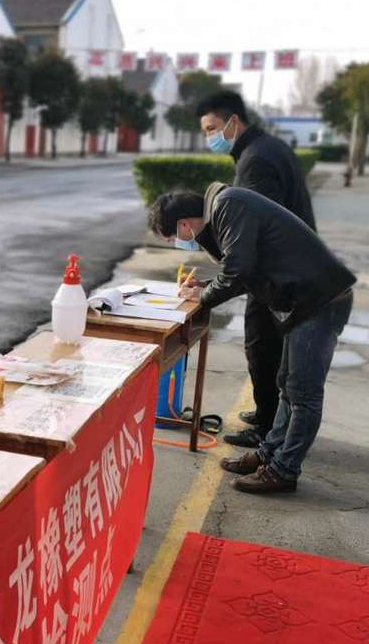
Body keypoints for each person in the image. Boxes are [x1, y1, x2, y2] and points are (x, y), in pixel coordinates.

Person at [149, 183, 355, 494]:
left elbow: (238, 269)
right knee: (287, 385)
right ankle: (269, 454)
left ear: (184, 224)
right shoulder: (225, 209)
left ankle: (284, 471)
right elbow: (248, 269)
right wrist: (204, 285)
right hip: (303, 302)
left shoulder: (228, 206)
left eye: (172, 238)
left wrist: (204, 296)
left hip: (320, 301)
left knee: (303, 394)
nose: (176, 243)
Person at [197, 90, 316, 450]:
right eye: (204, 131)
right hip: (287, 264)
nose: (209, 138)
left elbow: (252, 227)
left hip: (277, 271)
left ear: (233, 120)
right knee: (270, 348)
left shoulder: (256, 161)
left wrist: (212, 289)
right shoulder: (265, 148)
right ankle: (268, 413)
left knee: (262, 346)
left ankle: (266, 426)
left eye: (212, 128)